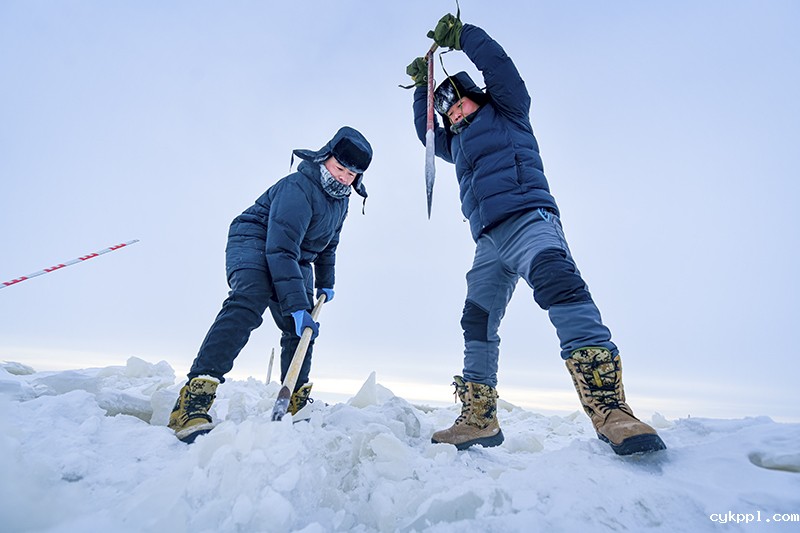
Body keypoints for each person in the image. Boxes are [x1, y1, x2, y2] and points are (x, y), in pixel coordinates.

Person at [407, 14, 666, 455]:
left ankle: (610, 409)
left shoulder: (508, 112)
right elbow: (426, 136)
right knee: (476, 319)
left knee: (558, 283)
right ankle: (479, 418)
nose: (453, 112)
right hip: (489, 243)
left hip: (529, 220)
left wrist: (463, 37)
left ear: (476, 98)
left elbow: (500, 66)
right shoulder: (459, 145)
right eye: (447, 109)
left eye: (459, 104)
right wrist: (420, 87)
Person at [168, 126, 373, 443]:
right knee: (249, 301)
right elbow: (280, 249)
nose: (344, 177)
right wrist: (294, 306)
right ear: (325, 158)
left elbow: (328, 245)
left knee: (301, 329)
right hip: (254, 239)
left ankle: (294, 398)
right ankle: (193, 400)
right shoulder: (299, 188)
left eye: (351, 173)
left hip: (294, 256)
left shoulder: (341, 201)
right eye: (339, 168)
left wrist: (326, 283)